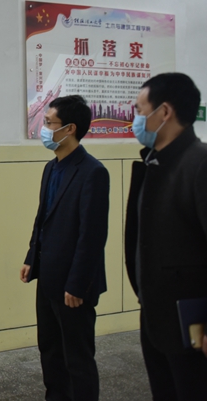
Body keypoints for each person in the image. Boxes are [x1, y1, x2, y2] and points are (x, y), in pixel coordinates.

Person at [20, 95, 110, 401]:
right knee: (50, 350)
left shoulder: (92, 172)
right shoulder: (51, 167)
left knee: (77, 358)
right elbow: (42, 218)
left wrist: (78, 284)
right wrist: (31, 258)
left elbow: (92, 235)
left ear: (69, 128)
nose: (43, 129)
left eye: (48, 123)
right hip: (47, 277)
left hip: (74, 285)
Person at [124, 72, 207, 400]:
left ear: (165, 112)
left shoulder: (200, 164)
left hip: (193, 323)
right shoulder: (154, 163)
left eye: (140, 110)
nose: (136, 119)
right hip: (156, 317)